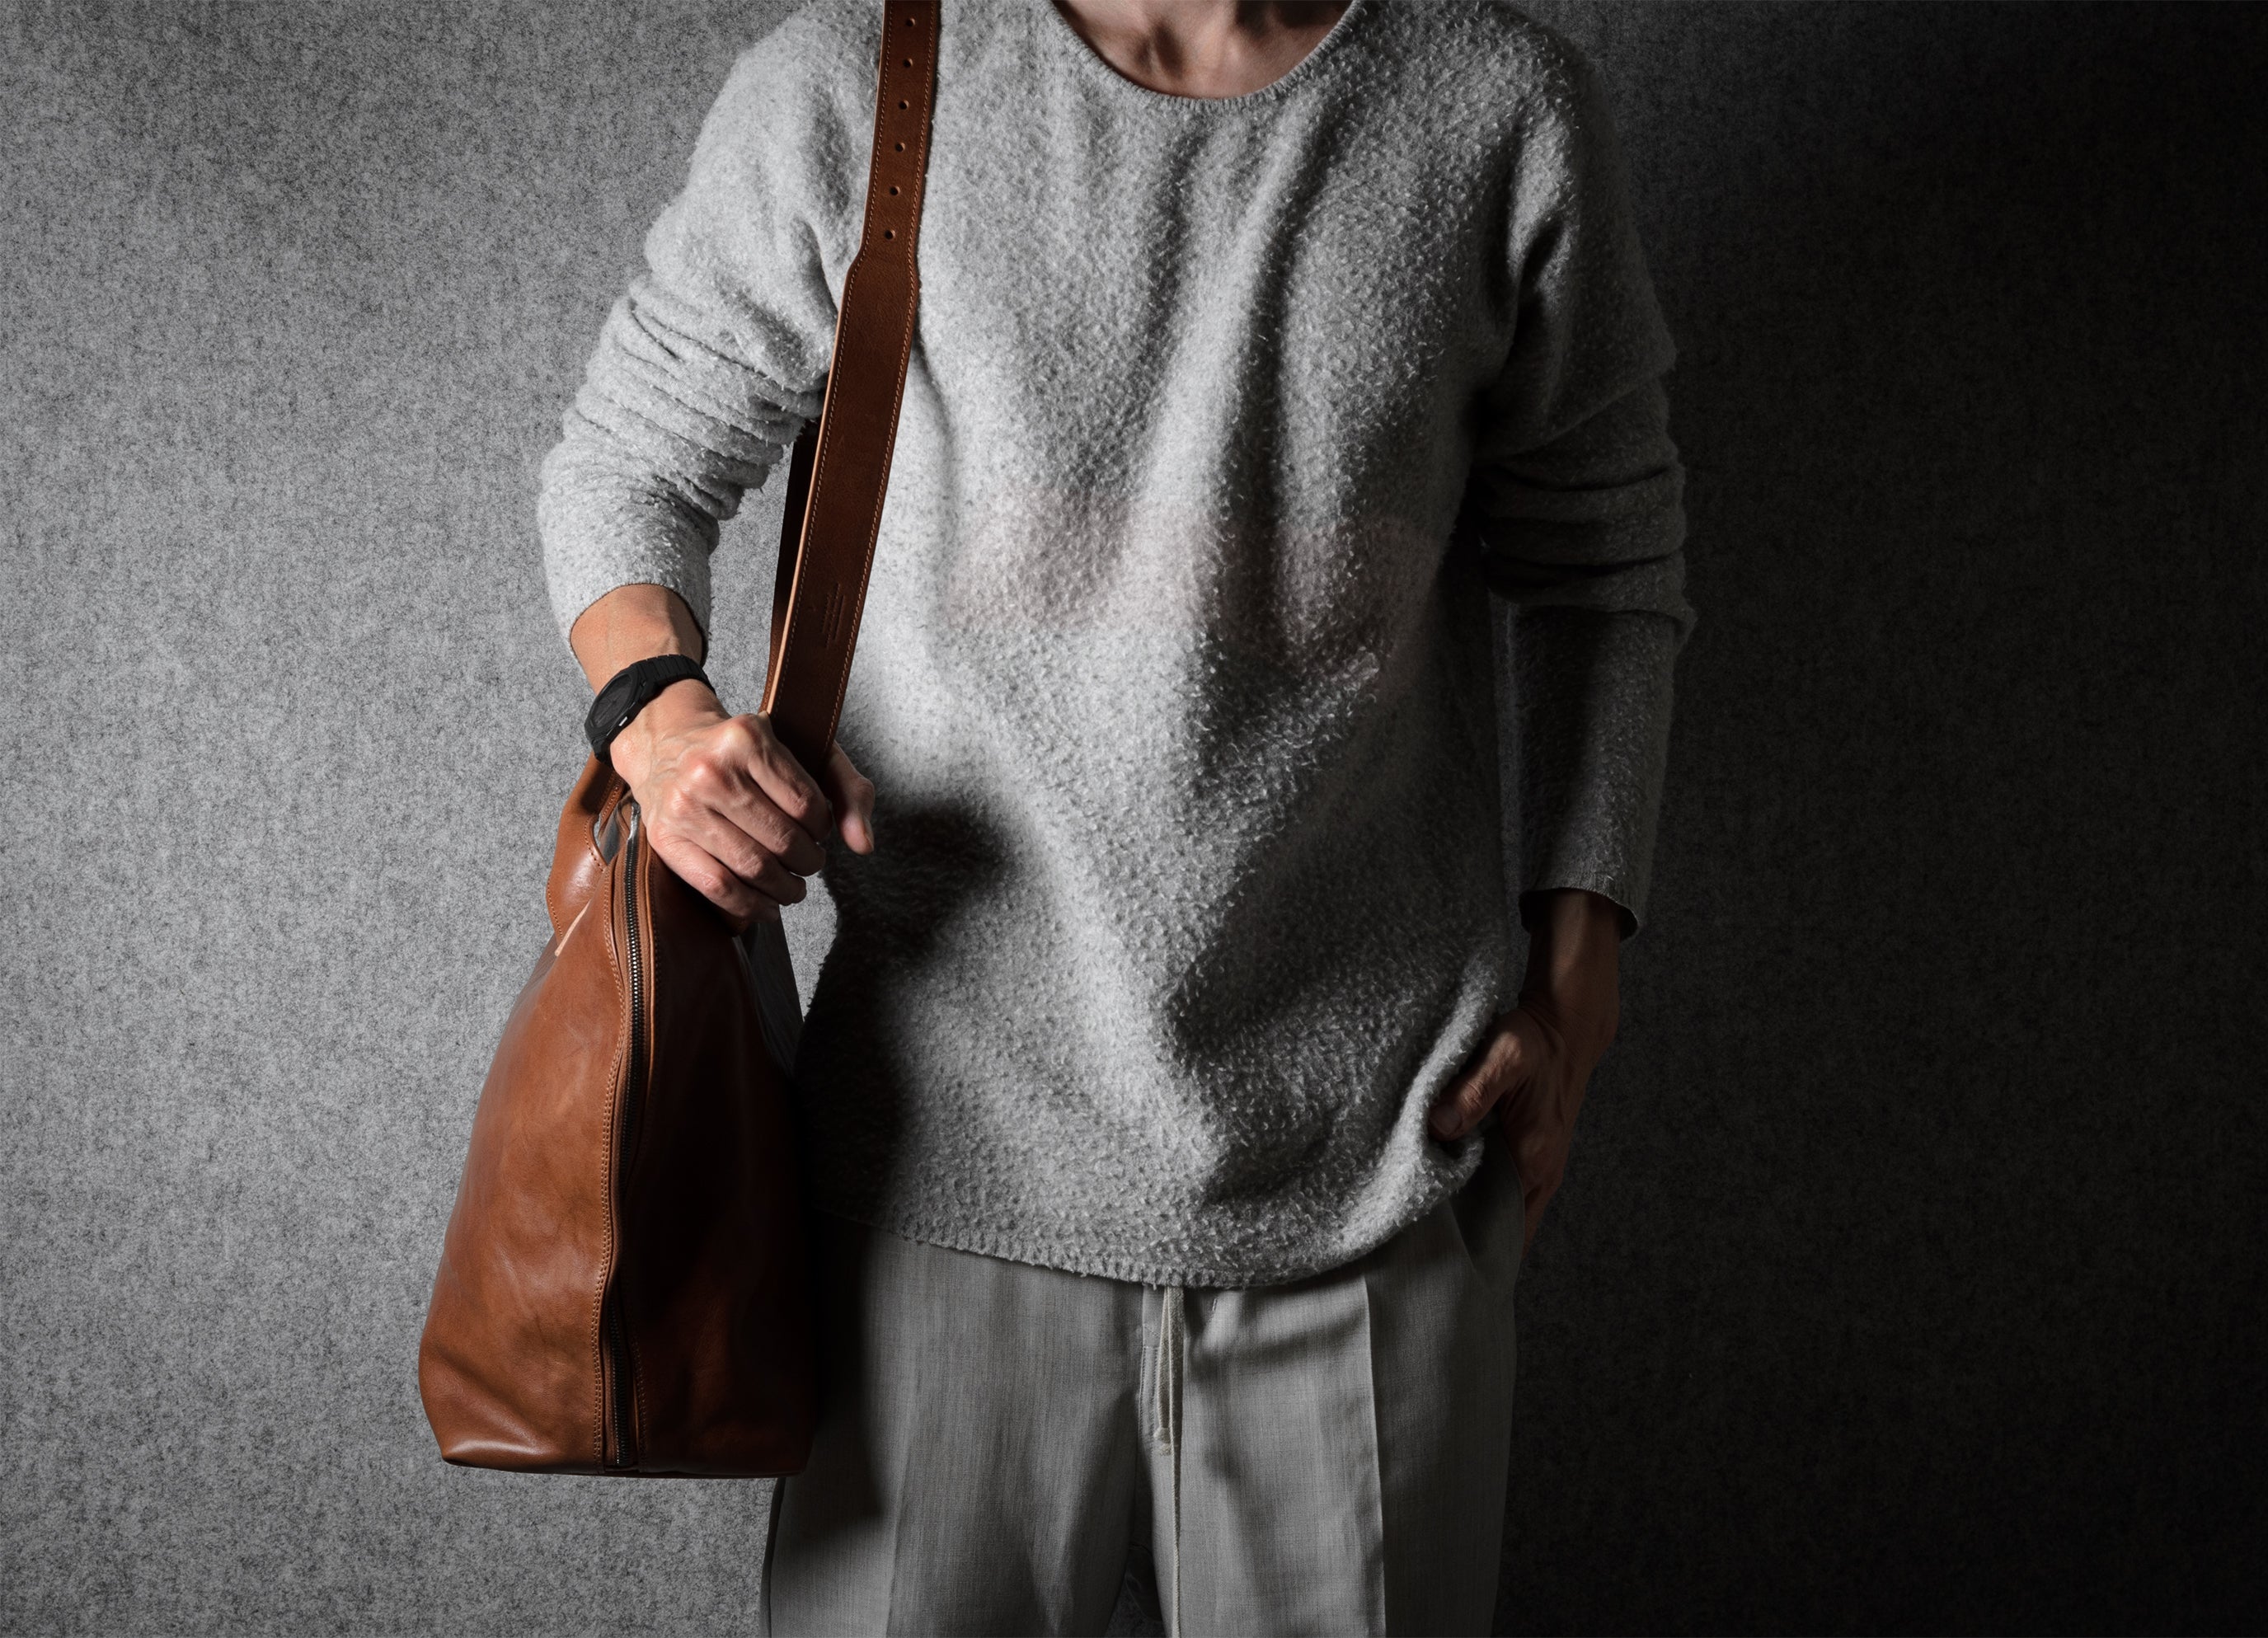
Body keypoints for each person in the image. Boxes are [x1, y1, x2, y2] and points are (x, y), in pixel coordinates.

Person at [540, 0, 1690, 1631]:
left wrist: (1583, 982)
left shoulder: (1495, 107)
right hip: (932, 1186)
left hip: (1374, 1177)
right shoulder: (857, 86)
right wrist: (659, 724)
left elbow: (1608, 565)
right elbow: (620, 464)